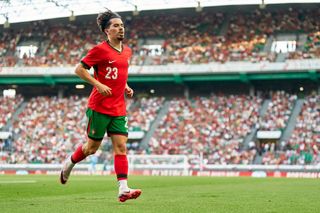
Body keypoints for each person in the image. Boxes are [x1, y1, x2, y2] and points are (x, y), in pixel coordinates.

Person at [60, 9, 141, 203]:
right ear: (107, 30)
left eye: (122, 25)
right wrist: (97, 84)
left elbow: (118, 74)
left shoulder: (127, 51)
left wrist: (126, 86)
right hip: (100, 106)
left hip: (119, 107)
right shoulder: (100, 50)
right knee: (91, 148)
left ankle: (123, 189)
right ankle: (68, 164)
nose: (120, 29)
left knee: (121, 147)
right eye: (115, 26)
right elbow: (79, 69)